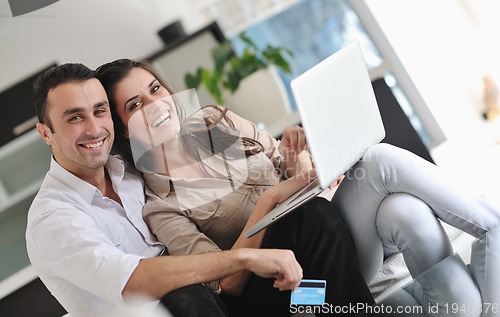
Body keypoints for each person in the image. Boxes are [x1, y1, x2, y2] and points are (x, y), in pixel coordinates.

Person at [97, 58, 500, 317]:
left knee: (402, 209)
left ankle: (489, 237)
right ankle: (493, 225)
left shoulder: (211, 124)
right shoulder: (160, 206)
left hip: (330, 222)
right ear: (121, 131)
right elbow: (228, 281)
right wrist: (273, 198)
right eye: (134, 105)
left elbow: (284, 162)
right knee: (379, 162)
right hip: (306, 283)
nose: (155, 105)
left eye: (154, 89)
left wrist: (300, 154)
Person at [25, 63, 311, 317]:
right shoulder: (53, 217)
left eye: (100, 111)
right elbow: (131, 280)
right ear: (45, 133)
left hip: (216, 302)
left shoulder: (129, 173)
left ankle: (330, 306)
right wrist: (245, 255)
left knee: (314, 225)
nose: (94, 128)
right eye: (75, 118)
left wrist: (299, 162)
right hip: (176, 305)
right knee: (186, 294)